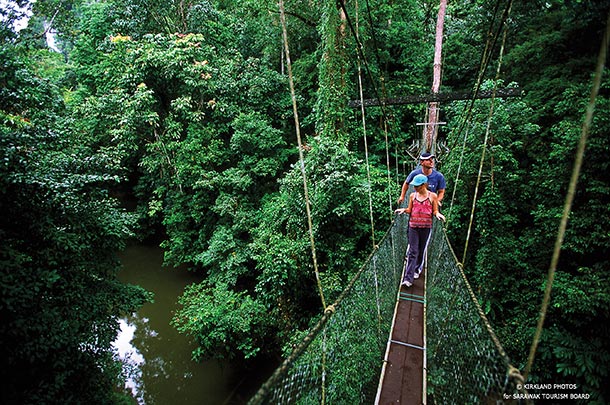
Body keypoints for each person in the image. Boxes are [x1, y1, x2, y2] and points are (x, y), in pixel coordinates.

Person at [395, 174, 445, 287]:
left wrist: (438, 215)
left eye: (417, 186)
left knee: (421, 250)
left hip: (426, 228)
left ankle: (417, 269)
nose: (415, 188)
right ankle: (408, 279)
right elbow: (410, 209)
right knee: (413, 251)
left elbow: (435, 211)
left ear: (423, 185)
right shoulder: (412, 196)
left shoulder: (433, 196)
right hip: (413, 227)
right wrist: (404, 210)